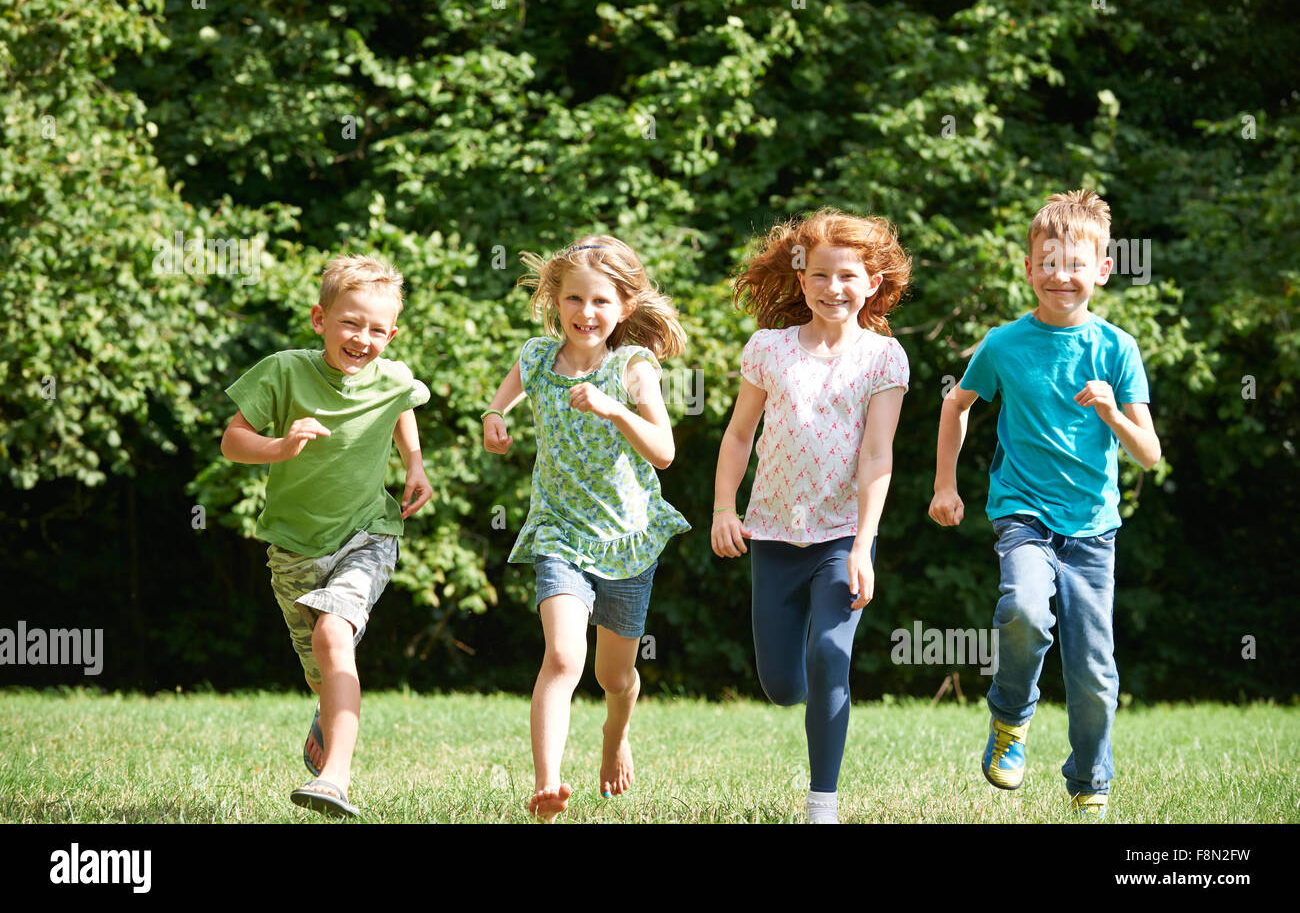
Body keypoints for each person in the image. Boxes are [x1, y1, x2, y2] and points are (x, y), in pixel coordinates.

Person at [928, 190, 1161, 819]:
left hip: (1092, 530)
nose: (1063, 275)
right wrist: (945, 485)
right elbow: (957, 405)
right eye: (1049, 262)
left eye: (1077, 263)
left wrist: (1112, 410)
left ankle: (1090, 782)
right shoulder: (1004, 344)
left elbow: (1148, 453)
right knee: (1025, 609)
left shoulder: (1118, 349)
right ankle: (1010, 718)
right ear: (1029, 268)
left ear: (1102, 270)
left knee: (1093, 673)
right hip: (1022, 511)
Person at [712, 209, 910, 824]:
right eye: (821, 276)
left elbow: (878, 454)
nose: (833, 288)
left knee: (830, 653)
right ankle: (794, 687)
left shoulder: (885, 358)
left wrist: (863, 545)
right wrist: (724, 506)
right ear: (802, 281)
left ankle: (822, 802)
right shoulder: (768, 349)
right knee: (781, 685)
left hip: (842, 536)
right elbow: (739, 434)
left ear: (872, 284)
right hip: (771, 534)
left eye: (848, 276)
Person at [482, 235, 689, 823]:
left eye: (600, 300)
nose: (585, 312)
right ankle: (547, 786)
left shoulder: (632, 367)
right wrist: (496, 419)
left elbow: (665, 451)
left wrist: (616, 409)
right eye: (573, 298)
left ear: (623, 307)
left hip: (626, 536)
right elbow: (504, 400)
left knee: (613, 675)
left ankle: (615, 733)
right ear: (555, 300)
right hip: (557, 530)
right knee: (563, 656)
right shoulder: (534, 358)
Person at [221, 254, 431, 818]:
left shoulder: (394, 374)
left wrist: (414, 463)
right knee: (321, 665)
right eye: (350, 322)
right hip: (293, 548)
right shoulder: (284, 370)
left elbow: (402, 399)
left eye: (377, 329)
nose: (363, 338)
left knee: (334, 636)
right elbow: (233, 440)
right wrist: (280, 447)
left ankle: (335, 779)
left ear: (392, 333)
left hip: (368, 534)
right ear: (320, 319)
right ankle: (325, 707)